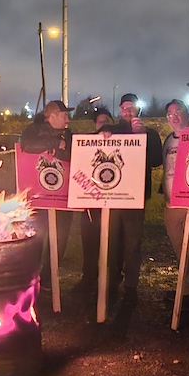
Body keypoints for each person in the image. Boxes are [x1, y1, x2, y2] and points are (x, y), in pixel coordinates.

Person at [105, 93, 163, 305]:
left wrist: (143, 136)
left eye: (132, 108)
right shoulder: (111, 131)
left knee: (132, 242)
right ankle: (111, 281)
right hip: (112, 196)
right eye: (124, 108)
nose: (128, 112)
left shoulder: (149, 133)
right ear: (119, 110)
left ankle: (131, 286)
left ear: (138, 110)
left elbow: (156, 160)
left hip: (136, 195)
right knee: (111, 242)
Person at [19, 100, 75, 292]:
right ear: (51, 116)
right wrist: (54, 144)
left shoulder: (68, 134)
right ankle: (29, 279)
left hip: (62, 196)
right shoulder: (33, 130)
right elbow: (26, 145)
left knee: (59, 240)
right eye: (64, 115)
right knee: (36, 239)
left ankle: (49, 280)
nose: (68, 119)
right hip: (39, 197)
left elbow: (73, 154)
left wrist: (60, 148)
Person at [159, 99, 189, 312]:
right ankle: (185, 287)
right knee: (181, 248)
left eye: (178, 111)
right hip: (171, 204)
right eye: (170, 114)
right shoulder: (169, 140)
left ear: (187, 113)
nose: (175, 116)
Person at [74, 107, 116, 297]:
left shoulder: (121, 141)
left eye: (106, 121)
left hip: (115, 204)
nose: (103, 125)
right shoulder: (87, 142)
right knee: (89, 244)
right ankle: (89, 278)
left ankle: (111, 282)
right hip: (91, 204)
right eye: (99, 122)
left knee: (113, 245)